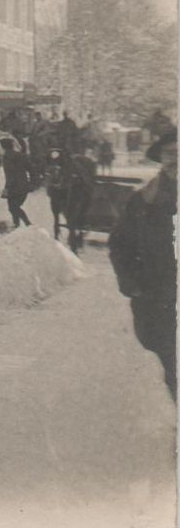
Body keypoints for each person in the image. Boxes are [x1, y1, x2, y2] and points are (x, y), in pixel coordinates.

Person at [110, 127, 177, 398]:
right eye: (171, 154)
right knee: (166, 353)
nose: (177, 160)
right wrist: (132, 282)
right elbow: (120, 244)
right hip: (158, 291)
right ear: (161, 158)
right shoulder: (142, 201)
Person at [0, 137, 33, 227]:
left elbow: (10, 175)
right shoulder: (21, 156)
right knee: (14, 207)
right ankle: (18, 225)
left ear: (3, 147)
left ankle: (27, 224)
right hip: (23, 185)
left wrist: (7, 188)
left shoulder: (6, 158)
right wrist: (31, 182)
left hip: (14, 187)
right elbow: (30, 169)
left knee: (13, 208)